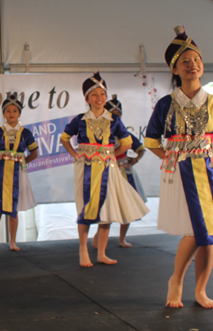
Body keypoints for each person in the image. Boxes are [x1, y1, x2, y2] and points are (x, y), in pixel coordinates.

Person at [145, 26, 213, 309]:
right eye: (185, 61)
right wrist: (173, 158)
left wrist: (205, 155)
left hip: (210, 172)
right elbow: (151, 140)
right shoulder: (166, 104)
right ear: (175, 68)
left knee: (209, 233)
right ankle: (176, 280)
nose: (192, 65)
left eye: (196, 60)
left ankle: (200, 289)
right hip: (180, 173)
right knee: (195, 230)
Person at [60, 72, 149, 267]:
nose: (99, 98)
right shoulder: (80, 119)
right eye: (94, 95)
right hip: (86, 167)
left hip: (108, 167)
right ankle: (83, 250)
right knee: (86, 205)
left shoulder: (114, 120)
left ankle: (101, 253)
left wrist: (111, 153)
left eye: (102, 94)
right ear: (86, 98)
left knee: (107, 208)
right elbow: (64, 138)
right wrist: (75, 155)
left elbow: (126, 143)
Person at [0, 94, 39, 252]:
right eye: (8, 111)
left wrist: (22, 162)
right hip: (1, 171)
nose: (11, 113)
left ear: (19, 113)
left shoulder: (25, 133)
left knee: (14, 206)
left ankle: (13, 241)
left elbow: (34, 152)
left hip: (18, 173)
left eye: (14, 110)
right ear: (4, 114)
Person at [92, 95, 147, 248]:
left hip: (125, 172)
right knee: (107, 206)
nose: (116, 117)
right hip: (107, 172)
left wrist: (134, 159)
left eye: (118, 114)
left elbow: (140, 149)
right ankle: (98, 237)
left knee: (128, 206)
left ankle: (122, 238)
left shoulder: (125, 133)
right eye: (112, 114)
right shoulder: (100, 133)